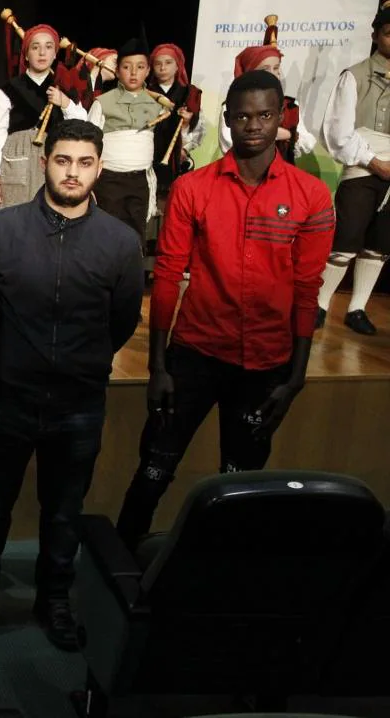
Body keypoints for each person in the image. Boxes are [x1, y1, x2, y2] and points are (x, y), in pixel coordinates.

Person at [116, 71, 335, 545]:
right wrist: (158, 365)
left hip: (266, 365)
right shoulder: (194, 189)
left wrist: (296, 376)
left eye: (263, 115)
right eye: (241, 116)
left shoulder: (311, 195)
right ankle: (117, 568)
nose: (253, 125)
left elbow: (306, 288)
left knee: (240, 487)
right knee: (153, 471)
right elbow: (169, 275)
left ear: (280, 118)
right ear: (228, 120)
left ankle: (223, 579)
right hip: (194, 355)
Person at [0, 119, 143, 652]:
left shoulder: (121, 242)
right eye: (64, 160)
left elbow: (122, 321)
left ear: (99, 168)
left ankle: (54, 600)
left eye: (85, 163)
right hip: (7, 399)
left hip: (79, 404)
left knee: (64, 513)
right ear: (46, 162)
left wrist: (82, 363)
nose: (73, 172)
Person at [316, 2, 390, 335]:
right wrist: (375, 162)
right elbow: (337, 131)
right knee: (345, 241)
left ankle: (357, 307)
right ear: (376, 35)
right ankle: (319, 304)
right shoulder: (355, 75)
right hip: (363, 168)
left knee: (379, 245)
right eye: (389, 33)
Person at [0, 23, 87, 209]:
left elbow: (83, 126)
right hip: (15, 161)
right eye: (35, 47)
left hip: (53, 160)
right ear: (26, 55)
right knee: (12, 220)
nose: (42, 53)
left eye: (48, 47)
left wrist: (65, 103)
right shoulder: (10, 89)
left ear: (55, 54)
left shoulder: (64, 88)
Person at [86, 36, 167, 245]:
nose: (133, 73)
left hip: (140, 181)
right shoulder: (103, 102)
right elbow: (89, 141)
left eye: (140, 67)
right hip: (109, 181)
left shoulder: (157, 105)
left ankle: (130, 276)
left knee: (135, 237)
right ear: (118, 70)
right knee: (106, 235)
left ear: (148, 70)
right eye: (127, 67)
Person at [218, 41, 317, 164]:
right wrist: (276, 133)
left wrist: (290, 135)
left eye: (276, 68)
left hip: (282, 175)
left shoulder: (290, 106)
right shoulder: (233, 106)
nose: (273, 73)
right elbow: (229, 143)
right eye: (265, 69)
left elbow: (307, 141)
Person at [148, 43, 204, 196]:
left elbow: (199, 128)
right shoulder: (146, 92)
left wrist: (185, 132)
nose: (162, 67)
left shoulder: (188, 93)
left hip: (177, 160)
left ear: (178, 66)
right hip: (147, 157)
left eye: (168, 62)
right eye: (158, 63)